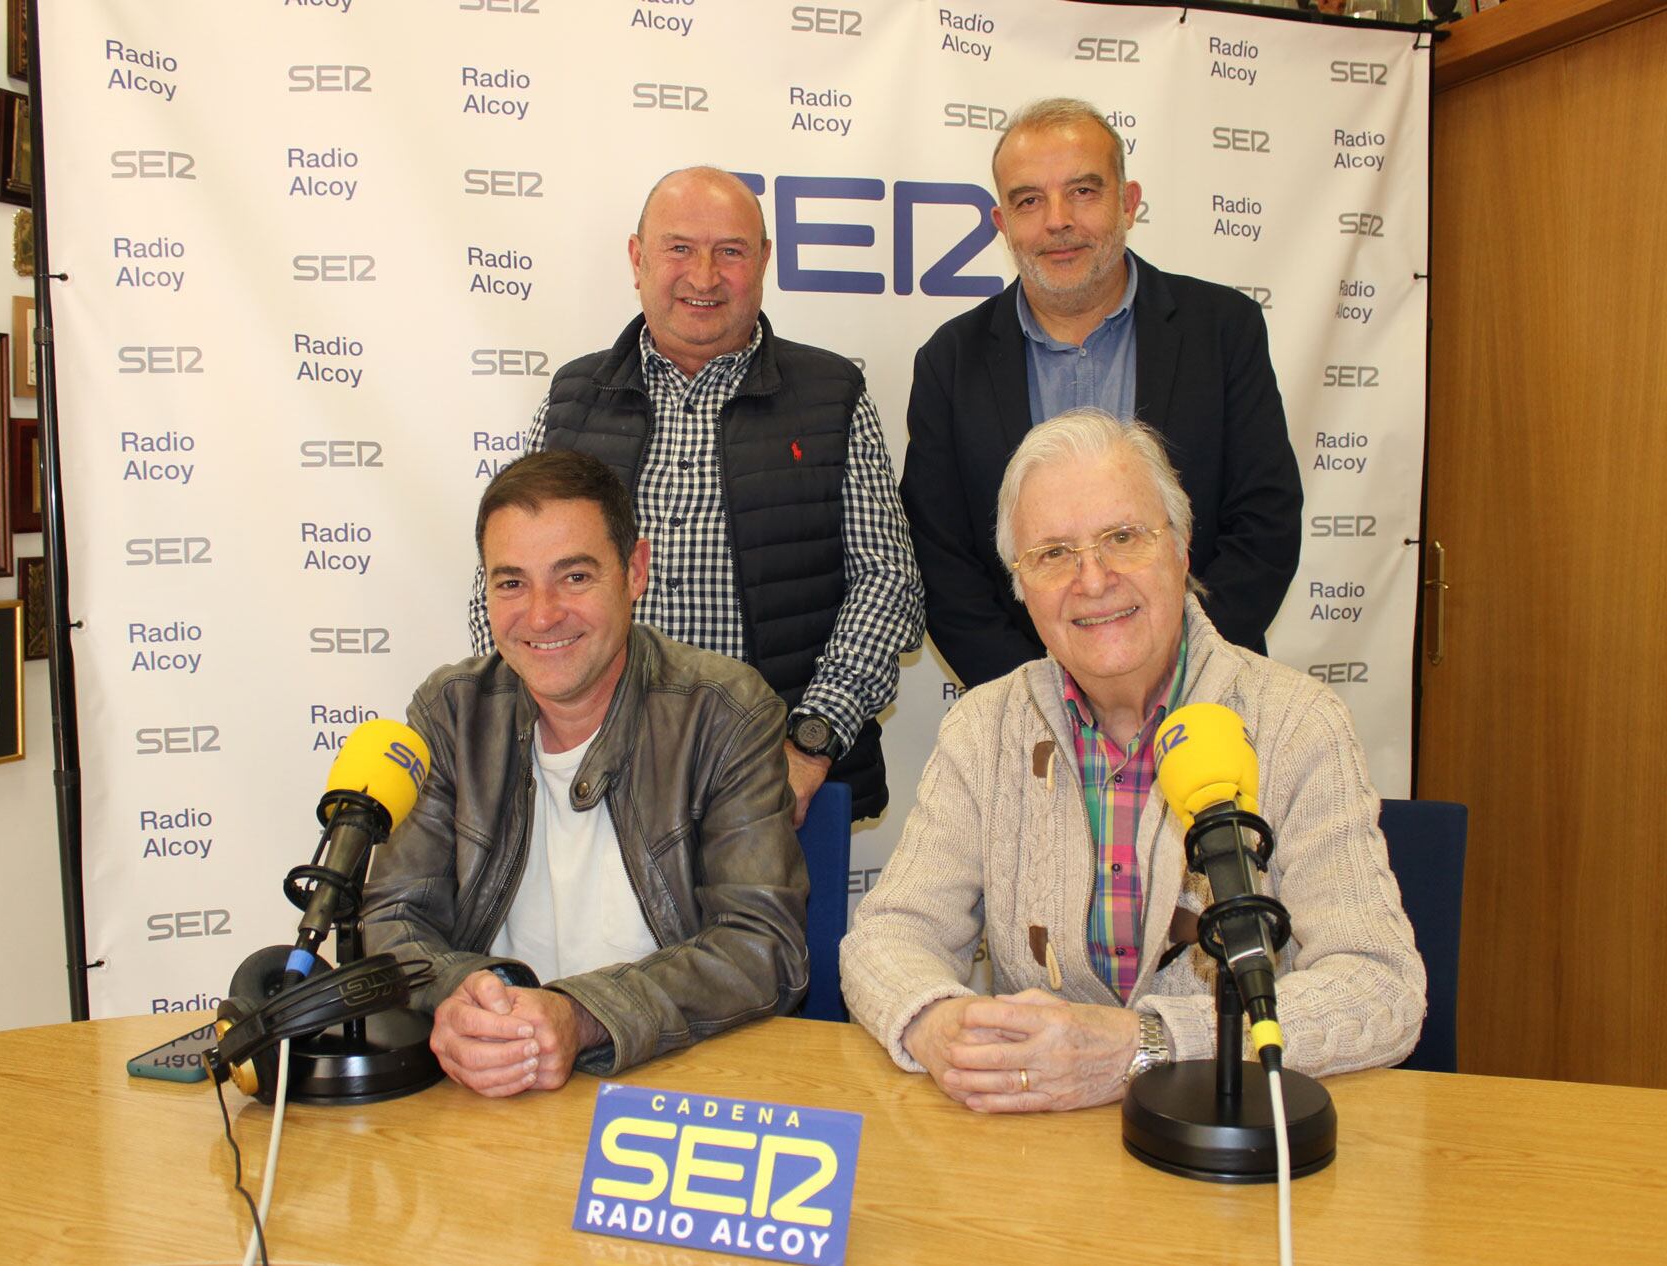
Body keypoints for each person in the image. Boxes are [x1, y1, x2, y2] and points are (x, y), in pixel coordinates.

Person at [840, 410, 1422, 1113]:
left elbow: (1380, 988)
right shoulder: (984, 729)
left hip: (1236, 1141)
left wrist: (1148, 1044)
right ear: (1020, 586)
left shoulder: (1297, 724)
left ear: (1180, 550)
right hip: (1040, 1149)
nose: (1093, 579)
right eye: (1052, 553)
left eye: (1123, 537)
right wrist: (935, 1022)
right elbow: (888, 936)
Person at [467, 166, 923, 824]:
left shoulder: (830, 395)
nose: (704, 276)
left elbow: (888, 582)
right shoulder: (574, 400)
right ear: (637, 257)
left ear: (763, 260)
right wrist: (545, 736)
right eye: (679, 248)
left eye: (730, 251)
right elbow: (504, 581)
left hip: (773, 787)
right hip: (591, 786)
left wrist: (810, 744)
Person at [363, 451, 809, 1096]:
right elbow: (393, 922)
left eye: (573, 577)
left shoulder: (725, 712)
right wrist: (464, 999)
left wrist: (581, 1014)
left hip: (670, 1084)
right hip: (490, 1088)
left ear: (634, 572)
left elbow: (762, 948)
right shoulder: (450, 711)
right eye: (511, 582)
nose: (541, 615)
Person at [901, 98, 1302, 689]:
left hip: (1207, 698)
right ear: (1002, 224)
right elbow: (942, 563)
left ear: (1129, 202)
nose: (1057, 220)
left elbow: (1265, 524)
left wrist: (1178, 674)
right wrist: (1041, 698)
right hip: (1029, 723)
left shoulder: (1222, 329)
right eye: (1029, 200)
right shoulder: (950, 361)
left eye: (1083, 191)